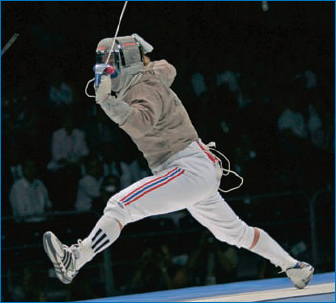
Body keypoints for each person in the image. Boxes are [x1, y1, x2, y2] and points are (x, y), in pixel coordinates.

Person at [43, 33, 313, 289]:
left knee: (120, 205)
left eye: (110, 61)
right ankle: (293, 266)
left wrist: (107, 102)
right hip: (197, 170)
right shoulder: (152, 76)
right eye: (102, 61)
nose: (104, 67)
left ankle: (75, 259)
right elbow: (168, 68)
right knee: (236, 233)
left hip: (186, 169)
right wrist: (141, 57)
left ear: (126, 61)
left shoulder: (142, 87)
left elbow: (141, 122)